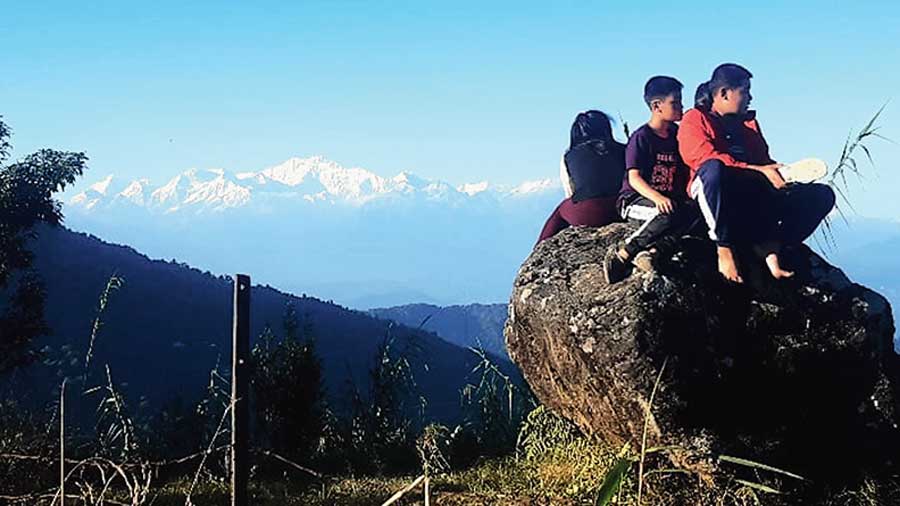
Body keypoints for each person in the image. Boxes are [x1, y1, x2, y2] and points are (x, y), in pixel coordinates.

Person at [678, 63, 835, 283]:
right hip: (718, 200)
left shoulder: (747, 126)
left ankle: (773, 246)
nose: (750, 98)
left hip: (753, 200)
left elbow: (763, 161)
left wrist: (777, 173)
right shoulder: (695, 119)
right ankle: (724, 248)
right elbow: (701, 158)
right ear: (724, 93)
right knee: (713, 169)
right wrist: (759, 170)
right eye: (745, 91)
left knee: (821, 195)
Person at [603, 76, 704, 283]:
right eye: (675, 103)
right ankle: (623, 254)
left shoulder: (678, 134)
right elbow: (634, 177)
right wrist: (657, 197)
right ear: (657, 106)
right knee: (666, 215)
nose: (681, 107)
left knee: (694, 215)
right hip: (636, 201)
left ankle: (653, 252)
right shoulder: (642, 137)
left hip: (668, 200)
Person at [537, 110, 625, 243]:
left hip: (587, 214)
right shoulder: (624, 149)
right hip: (621, 208)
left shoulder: (569, 156)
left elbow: (571, 193)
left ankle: (539, 248)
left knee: (561, 210)